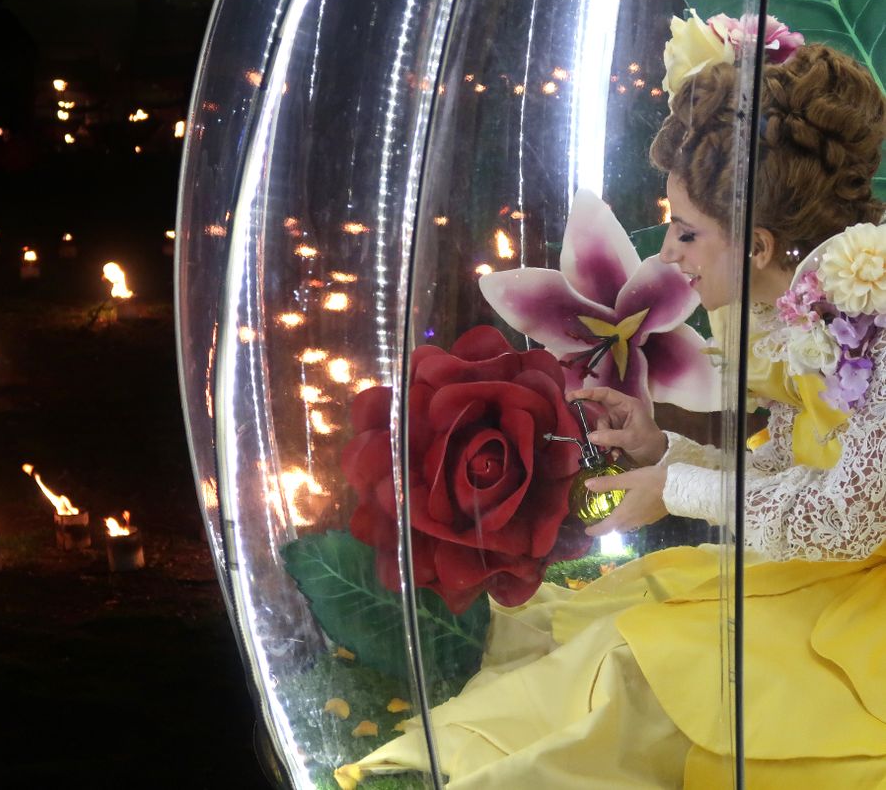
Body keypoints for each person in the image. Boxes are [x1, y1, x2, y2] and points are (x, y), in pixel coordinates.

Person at [337, 42, 886, 789]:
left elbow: (848, 521)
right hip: (818, 572)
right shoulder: (792, 318)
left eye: (687, 232)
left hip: (860, 605)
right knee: (613, 638)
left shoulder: (866, 319)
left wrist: (676, 489)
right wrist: (663, 451)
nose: (669, 255)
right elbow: (788, 472)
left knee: (645, 673)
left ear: (757, 245)